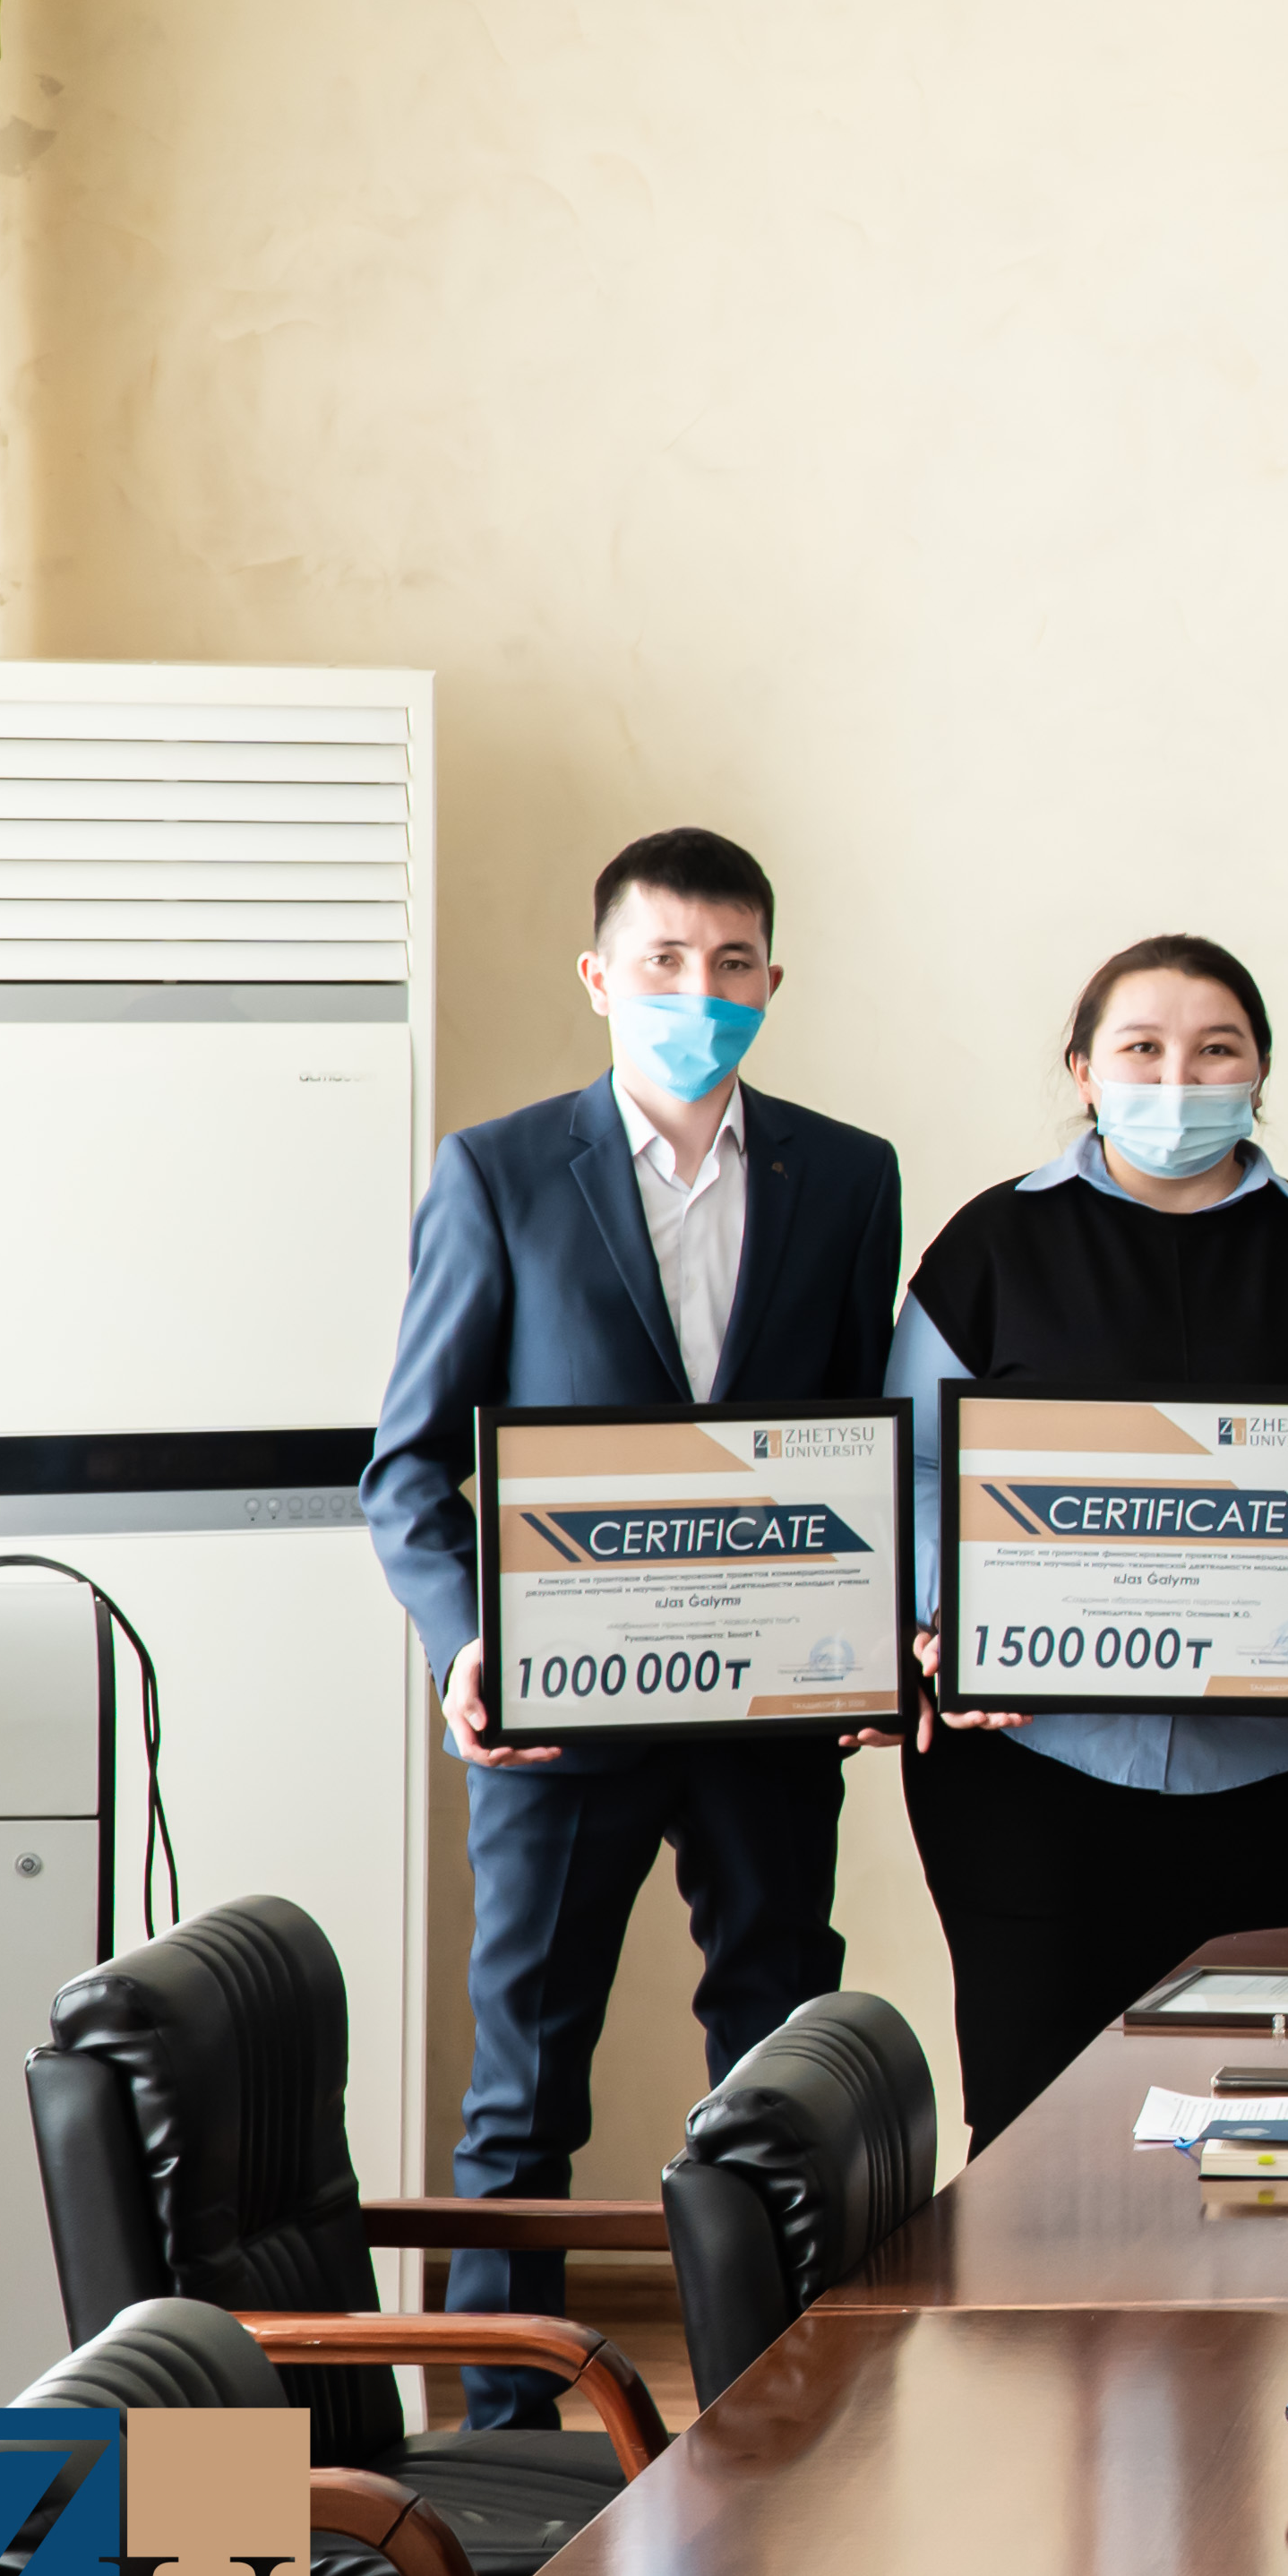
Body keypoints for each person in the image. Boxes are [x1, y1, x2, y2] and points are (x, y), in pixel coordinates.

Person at [361, 827, 901, 2422]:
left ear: (773, 983)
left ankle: (784, 2418)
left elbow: (857, 1445)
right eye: (664, 962)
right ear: (601, 978)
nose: (697, 992)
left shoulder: (847, 1176)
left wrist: (874, 1635)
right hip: (558, 1721)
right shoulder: (500, 1172)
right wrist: (466, 1640)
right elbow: (407, 1468)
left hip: (768, 1718)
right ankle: (504, 2444)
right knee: (524, 2097)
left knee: (783, 2075)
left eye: (730, 965)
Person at [889, 935, 1288, 2145]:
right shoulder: (990, 1247)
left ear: (1259, 1072)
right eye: (1142, 1049)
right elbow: (909, 1466)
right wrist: (956, 1616)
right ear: (1084, 1070)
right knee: (1030, 2126)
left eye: (1216, 1050)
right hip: (1028, 1773)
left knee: (1246, 2130)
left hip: (1274, 1781)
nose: (1178, 1078)